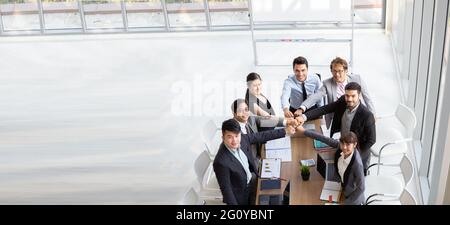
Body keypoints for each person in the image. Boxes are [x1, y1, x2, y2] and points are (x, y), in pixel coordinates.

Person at [297, 82, 376, 173]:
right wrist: (303, 117)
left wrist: (353, 153)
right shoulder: (343, 101)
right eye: (347, 95)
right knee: (338, 171)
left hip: (357, 152)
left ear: (359, 95)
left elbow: (371, 140)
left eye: (353, 96)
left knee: (354, 178)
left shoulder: (367, 115)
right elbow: (325, 109)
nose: (349, 99)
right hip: (343, 144)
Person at [213, 119, 295, 205]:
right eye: (229, 137)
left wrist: (284, 131)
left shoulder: (243, 138)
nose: (234, 141)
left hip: (252, 180)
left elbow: (261, 136)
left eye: (236, 136)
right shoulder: (220, 162)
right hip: (241, 195)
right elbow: (227, 192)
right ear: (223, 137)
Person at [299, 57, 376, 128]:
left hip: (357, 113)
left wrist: (372, 115)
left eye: (340, 71)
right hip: (338, 116)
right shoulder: (327, 83)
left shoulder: (357, 79)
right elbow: (315, 96)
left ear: (346, 70)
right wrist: (302, 108)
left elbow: (367, 98)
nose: (337, 74)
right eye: (334, 71)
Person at [297, 126, 365, 205]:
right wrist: (304, 131)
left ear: (354, 144)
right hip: (340, 188)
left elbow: (361, 188)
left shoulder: (357, 164)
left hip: (351, 198)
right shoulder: (339, 147)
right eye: (342, 143)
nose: (344, 147)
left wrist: (346, 203)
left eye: (348, 144)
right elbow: (323, 138)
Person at [231, 99, 298, 167]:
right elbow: (259, 136)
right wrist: (285, 131)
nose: (245, 113)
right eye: (240, 111)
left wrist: (287, 122)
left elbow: (268, 121)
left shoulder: (250, 119)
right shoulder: (233, 131)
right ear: (234, 113)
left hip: (258, 159)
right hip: (246, 166)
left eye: (246, 109)